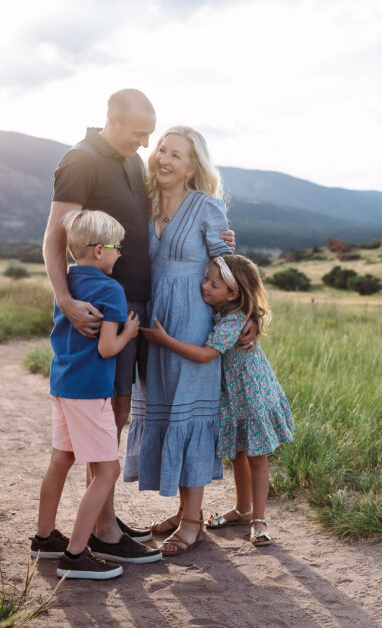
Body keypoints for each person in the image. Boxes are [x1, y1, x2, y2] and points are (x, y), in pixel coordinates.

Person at [42, 90, 236, 554]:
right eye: (143, 136)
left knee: (143, 413)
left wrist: (242, 311)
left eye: (161, 142)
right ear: (111, 120)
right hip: (122, 314)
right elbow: (56, 237)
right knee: (116, 414)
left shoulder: (136, 168)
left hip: (164, 317)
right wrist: (64, 298)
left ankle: (134, 522)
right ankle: (104, 529)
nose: (150, 147)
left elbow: (225, 262)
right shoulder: (86, 163)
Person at [31, 209, 162, 578]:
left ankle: (43, 539)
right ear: (100, 250)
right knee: (107, 470)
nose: (120, 254)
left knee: (62, 458)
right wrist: (129, 333)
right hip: (91, 392)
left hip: (63, 385)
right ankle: (76, 555)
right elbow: (107, 349)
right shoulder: (111, 290)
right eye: (118, 248)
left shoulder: (68, 282)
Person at [125, 126, 233, 556]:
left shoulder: (208, 208)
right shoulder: (143, 204)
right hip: (152, 322)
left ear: (193, 166)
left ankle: (192, 521)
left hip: (191, 322)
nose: (164, 160)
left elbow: (228, 270)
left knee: (190, 415)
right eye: (161, 150)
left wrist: (243, 318)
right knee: (162, 410)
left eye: (176, 155)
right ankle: (180, 511)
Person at [145, 254, 294, 547]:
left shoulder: (233, 320)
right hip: (233, 397)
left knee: (257, 457)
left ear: (233, 293)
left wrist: (165, 340)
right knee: (238, 453)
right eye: (206, 279)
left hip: (251, 396)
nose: (204, 286)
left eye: (213, 284)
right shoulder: (224, 312)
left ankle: (259, 520)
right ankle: (241, 509)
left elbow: (205, 355)